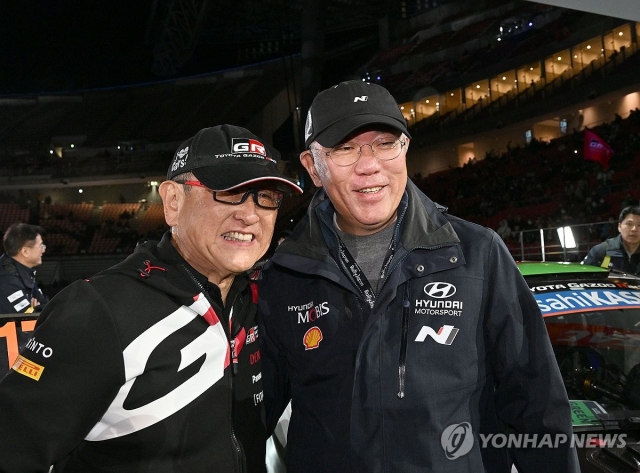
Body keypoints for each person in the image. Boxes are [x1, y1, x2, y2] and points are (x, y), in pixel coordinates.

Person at [257, 81, 579, 472]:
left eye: (385, 143)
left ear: (406, 148)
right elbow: (249, 421)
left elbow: (537, 403)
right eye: (344, 149)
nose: (369, 164)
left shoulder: (479, 254)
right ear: (313, 168)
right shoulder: (283, 275)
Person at [0, 124, 302, 473]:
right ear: (173, 201)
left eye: (266, 196)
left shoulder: (261, 298)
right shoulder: (96, 310)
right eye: (229, 191)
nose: (250, 215)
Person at [0, 223, 49, 313]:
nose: (43, 250)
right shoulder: (6, 280)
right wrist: (35, 310)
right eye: (41, 246)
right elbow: (26, 318)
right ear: (25, 252)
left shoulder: (23, 272)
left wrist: (36, 309)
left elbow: (45, 305)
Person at [582, 205, 640, 274]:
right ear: (619, 227)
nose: (634, 229)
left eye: (639, 225)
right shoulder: (601, 251)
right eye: (629, 224)